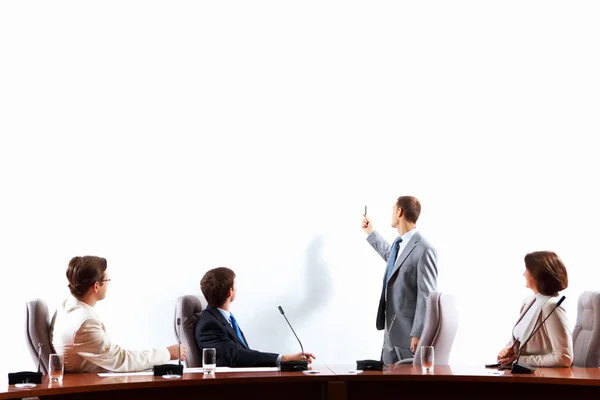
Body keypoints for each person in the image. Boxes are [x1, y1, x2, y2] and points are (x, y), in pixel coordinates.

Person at [50, 256, 187, 372]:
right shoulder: (84, 321)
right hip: (92, 387)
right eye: (107, 281)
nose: (108, 285)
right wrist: (168, 353)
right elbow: (121, 360)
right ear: (96, 286)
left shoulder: (66, 306)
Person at [362, 196, 438, 363]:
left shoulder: (425, 249)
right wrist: (371, 232)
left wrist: (418, 333)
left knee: (408, 385)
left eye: (392, 209)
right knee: (387, 384)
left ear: (399, 211)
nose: (391, 214)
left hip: (409, 335)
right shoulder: (400, 243)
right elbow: (392, 259)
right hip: (391, 330)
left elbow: (427, 295)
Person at [195, 267, 316, 367]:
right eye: (235, 286)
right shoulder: (209, 324)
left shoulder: (224, 319)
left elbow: (244, 354)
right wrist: (283, 358)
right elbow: (236, 356)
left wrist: (287, 360)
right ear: (230, 292)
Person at [497, 251, 572, 367]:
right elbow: (522, 344)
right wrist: (507, 351)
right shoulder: (529, 302)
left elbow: (563, 358)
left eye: (527, 270)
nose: (523, 274)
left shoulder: (552, 307)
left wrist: (519, 360)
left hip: (541, 380)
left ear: (537, 274)